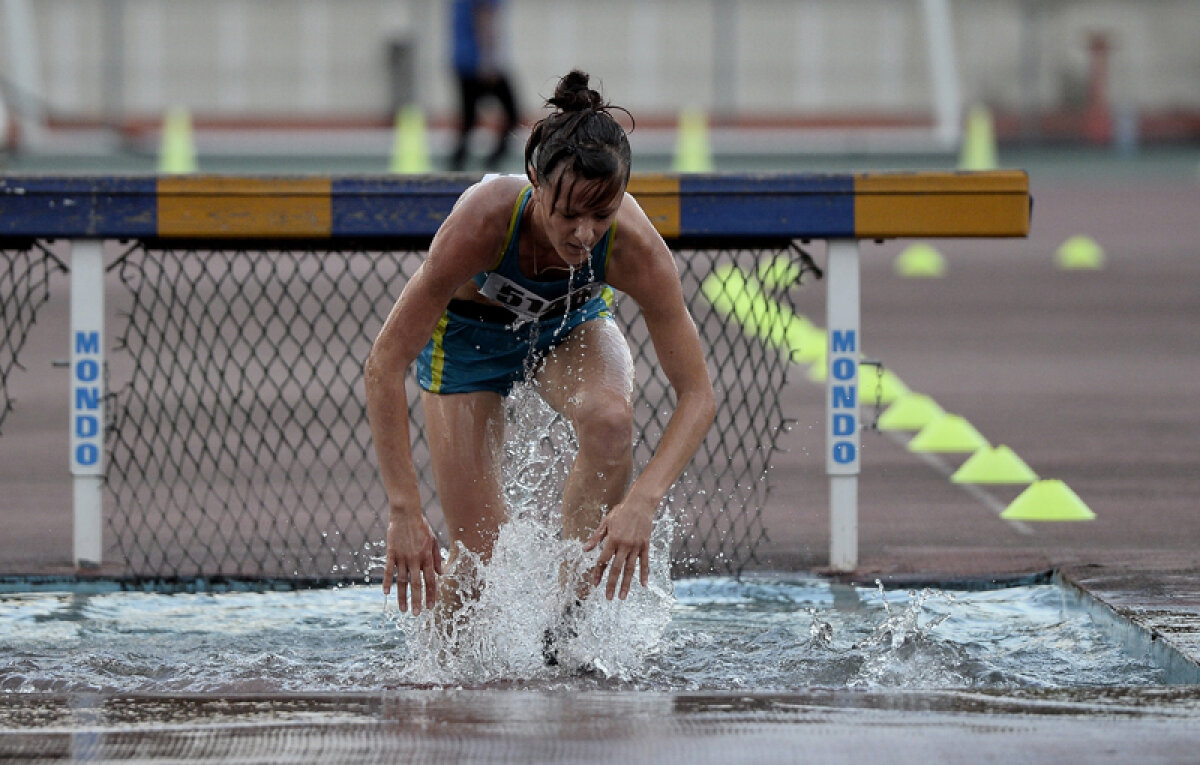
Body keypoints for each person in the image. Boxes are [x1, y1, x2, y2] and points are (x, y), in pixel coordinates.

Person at [365, 70, 716, 619]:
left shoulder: (635, 248)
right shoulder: (482, 222)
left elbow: (697, 394)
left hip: (568, 325)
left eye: (601, 215)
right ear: (535, 180)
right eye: (567, 213)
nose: (583, 234)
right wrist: (404, 508)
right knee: (481, 559)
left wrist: (641, 505)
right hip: (467, 340)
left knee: (609, 421)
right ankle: (445, 678)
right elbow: (384, 365)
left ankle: (566, 618)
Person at [448, 0, 520, 171]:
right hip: (479, 63)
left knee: (468, 121)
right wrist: (488, 61)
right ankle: (491, 164)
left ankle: (455, 166)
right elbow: (483, 19)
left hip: (463, 60)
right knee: (512, 116)